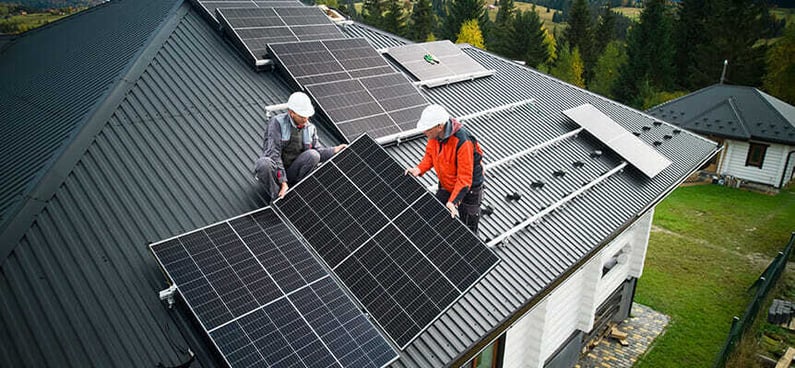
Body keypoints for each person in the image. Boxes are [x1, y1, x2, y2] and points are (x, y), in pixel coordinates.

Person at [405, 104, 485, 234]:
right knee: (436, 216)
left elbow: (465, 179)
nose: (424, 132)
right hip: (447, 186)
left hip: (468, 191)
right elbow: (430, 155)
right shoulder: (435, 136)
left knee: (468, 232)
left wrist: (453, 202)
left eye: (427, 129)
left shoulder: (462, 141)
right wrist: (419, 169)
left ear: (439, 126)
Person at [255, 92, 346, 201]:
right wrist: (283, 182)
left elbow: (318, 152)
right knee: (264, 163)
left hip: (292, 171)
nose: (305, 119)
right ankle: (277, 198)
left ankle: (297, 191)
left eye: (307, 116)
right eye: (302, 116)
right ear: (291, 113)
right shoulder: (277, 123)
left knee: (313, 155)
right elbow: (274, 154)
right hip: (276, 172)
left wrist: (335, 149)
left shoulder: (310, 128)